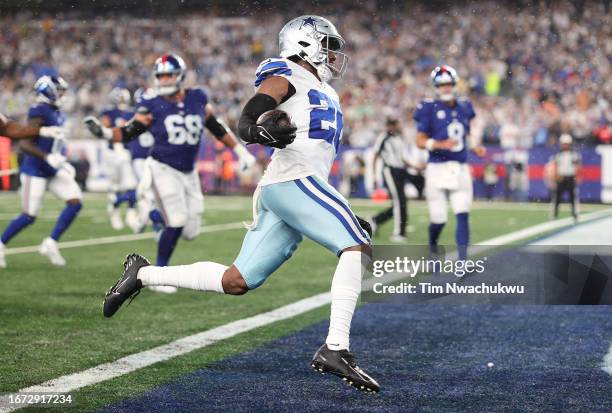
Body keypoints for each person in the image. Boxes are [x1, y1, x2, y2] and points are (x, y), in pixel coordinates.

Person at [100, 16, 379, 393]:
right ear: (304, 44)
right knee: (357, 244)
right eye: (326, 45)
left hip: (293, 185)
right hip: (292, 179)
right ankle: (335, 348)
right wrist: (252, 127)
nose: (332, 55)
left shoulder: (323, 89)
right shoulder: (290, 73)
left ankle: (143, 275)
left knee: (237, 280)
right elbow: (260, 104)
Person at [85, 54, 256, 272]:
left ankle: (152, 213)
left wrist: (240, 151)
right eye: (161, 76)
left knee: (190, 232)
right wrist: (105, 133)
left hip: (188, 171)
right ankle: (159, 273)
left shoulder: (197, 97)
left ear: (180, 76)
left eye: (169, 75)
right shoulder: (153, 104)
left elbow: (215, 126)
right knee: (176, 221)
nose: (164, 80)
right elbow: (129, 131)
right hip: (162, 167)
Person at [0, 76, 82, 268]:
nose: (62, 94)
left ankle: (51, 242)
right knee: (29, 215)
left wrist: (61, 160)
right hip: (35, 169)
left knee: (75, 201)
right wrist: (47, 157)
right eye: (59, 90)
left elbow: (55, 142)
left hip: (52, 169)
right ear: (49, 90)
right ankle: (1, 244)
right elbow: (25, 143)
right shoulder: (39, 110)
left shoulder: (55, 110)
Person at [414, 65, 486, 260]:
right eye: (441, 85)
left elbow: (466, 134)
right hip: (437, 168)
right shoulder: (428, 107)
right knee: (439, 219)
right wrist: (439, 144)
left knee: (462, 213)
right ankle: (433, 247)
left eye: (448, 84)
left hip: (460, 167)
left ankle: (463, 260)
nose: (445, 88)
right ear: (436, 87)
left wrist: (474, 146)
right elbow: (419, 140)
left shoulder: (465, 106)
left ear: (454, 85)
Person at [369, 117, 425, 242]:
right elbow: (375, 155)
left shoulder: (399, 138)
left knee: (400, 202)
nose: (392, 127)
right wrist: (374, 176)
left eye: (394, 124)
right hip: (390, 170)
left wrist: (415, 167)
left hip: (400, 170)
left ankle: (376, 220)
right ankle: (399, 232)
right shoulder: (383, 137)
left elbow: (402, 158)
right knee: (399, 201)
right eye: (390, 125)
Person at [551, 133, 581, 221]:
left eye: (566, 144)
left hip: (570, 177)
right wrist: (556, 175)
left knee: (573, 197)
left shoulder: (573, 154)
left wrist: (577, 175)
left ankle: (574, 214)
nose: (565, 145)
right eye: (563, 144)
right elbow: (556, 166)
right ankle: (555, 214)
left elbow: (577, 166)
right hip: (561, 177)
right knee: (557, 198)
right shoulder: (558, 154)